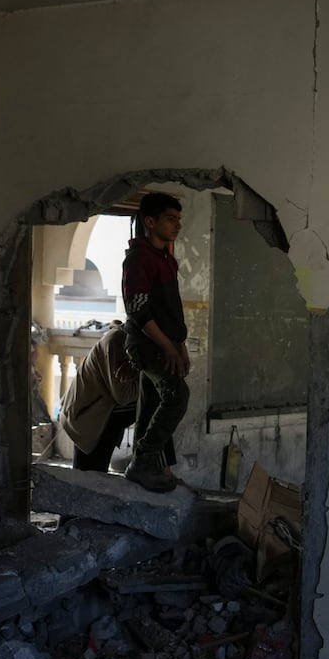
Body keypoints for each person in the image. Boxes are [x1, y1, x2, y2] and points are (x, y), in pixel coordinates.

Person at [120, 192, 190, 492]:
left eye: (178, 220)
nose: (177, 225)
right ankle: (144, 461)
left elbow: (172, 311)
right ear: (150, 222)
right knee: (176, 395)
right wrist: (167, 346)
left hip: (166, 343)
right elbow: (138, 310)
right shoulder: (139, 259)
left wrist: (180, 344)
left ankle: (158, 468)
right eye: (170, 219)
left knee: (151, 405)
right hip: (149, 345)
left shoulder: (166, 260)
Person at [58, 327, 176, 476]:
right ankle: (159, 469)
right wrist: (147, 376)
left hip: (101, 415)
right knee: (88, 480)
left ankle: (162, 469)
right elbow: (124, 395)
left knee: (159, 406)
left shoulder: (130, 341)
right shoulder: (118, 342)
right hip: (87, 418)